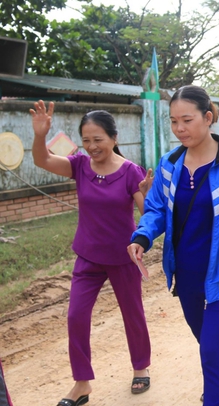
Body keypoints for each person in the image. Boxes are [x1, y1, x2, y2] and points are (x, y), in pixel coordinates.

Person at [127, 85, 219, 406]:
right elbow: (156, 209)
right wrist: (142, 237)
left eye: (187, 120)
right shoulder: (169, 164)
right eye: (174, 122)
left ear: (207, 118)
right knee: (207, 343)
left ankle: (217, 384)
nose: (179, 129)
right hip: (186, 274)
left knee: (210, 351)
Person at [29, 101, 152, 406]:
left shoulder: (130, 172)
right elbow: (43, 160)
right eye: (86, 140)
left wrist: (148, 193)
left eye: (98, 139)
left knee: (132, 314)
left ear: (114, 138)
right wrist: (39, 135)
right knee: (76, 316)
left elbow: (146, 215)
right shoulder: (79, 166)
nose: (92, 146)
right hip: (87, 256)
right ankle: (82, 383)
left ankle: (141, 367)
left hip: (123, 257)